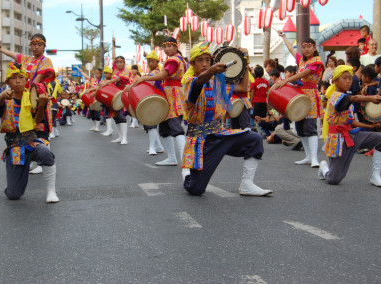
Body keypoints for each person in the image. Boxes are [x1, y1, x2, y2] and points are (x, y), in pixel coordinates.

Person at [181, 42, 272, 196]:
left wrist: (243, 62)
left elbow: (243, 88)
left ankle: (247, 185)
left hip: (219, 134)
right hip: (201, 141)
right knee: (196, 189)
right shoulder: (189, 82)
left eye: (207, 60)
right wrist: (211, 70)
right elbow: (200, 82)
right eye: (200, 60)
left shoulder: (217, 83)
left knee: (255, 139)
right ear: (192, 63)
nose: (204, 64)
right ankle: (186, 175)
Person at [0, 62, 59, 203]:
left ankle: (51, 191)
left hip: (31, 142)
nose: (17, 81)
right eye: (13, 78)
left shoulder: (31, 97)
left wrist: (41, 105)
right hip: (15, 146)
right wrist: (0, 97)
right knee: (14, 195)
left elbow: (38, 120)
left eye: (21, 77)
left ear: (26, 80)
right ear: (8, 81)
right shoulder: (5, 98)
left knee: (45, 152)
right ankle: (12, 184)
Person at [318, 65, 381, 187]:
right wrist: (371, 98)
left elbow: (351, 121)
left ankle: (375, 176)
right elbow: (354, 97)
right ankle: (324, 167)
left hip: (351, 135)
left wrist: (371, 127)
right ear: (335, 81)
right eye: (344, 78)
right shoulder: (335, 96)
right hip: (338, 140)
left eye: (350, 78)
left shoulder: (347, 98)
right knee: (333, 180)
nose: (348, 81)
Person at [131, 37, 186, 166]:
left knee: (175, 127)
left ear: (176, 46)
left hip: (173, 95)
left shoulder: (173, 60)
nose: (166, 49)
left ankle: (185, 160)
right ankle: (172, 158)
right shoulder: (174, 59)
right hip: (169, 93)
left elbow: (162, 76)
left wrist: (143, 78)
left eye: (169, 46)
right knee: (165, 129)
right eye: (164, 46)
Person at [277, 32, 324, 168]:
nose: (306, 49)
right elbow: (291, 50)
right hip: (299, 95)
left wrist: (286, 81)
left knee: (310, 126)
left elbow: (304, 74)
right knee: (300, 127)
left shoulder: (316, 61)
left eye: (309, 46)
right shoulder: (302, 60)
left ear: (314, 48)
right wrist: (284, 37)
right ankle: (308, 156)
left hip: (310, 95)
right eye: (304, 47)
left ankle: (314, 158)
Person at [98, 55, 130, 144]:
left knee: (122, 116)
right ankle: (120, 136)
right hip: (114, 94)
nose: (119, 64)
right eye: (117, 62)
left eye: (121, 62)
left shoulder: (126, 71)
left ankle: (125, 138)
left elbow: (121, 78)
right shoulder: (114, 71)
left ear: (124, 63)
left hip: (123, 94)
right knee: (116, 116)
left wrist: (108, 81)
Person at [77, 67, 103, 133]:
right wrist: (81, 71)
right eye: (95, 73)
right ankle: (94, 125)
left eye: (98, 73)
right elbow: (86, 76)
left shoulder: (102, 81)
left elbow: (98, 88)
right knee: (91, 113)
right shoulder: (92, 79)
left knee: (97, 112)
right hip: (90, 97)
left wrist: (90, 90)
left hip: (97, 97)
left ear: (101, 74)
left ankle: (97, 126)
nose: (96, 75)